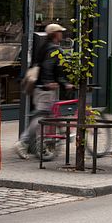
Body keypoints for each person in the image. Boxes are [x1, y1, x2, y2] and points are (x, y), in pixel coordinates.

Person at [15, 23, 74, 159]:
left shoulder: (45, 47)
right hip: (45, 89)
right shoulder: (53, 49)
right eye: (60, 32)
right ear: (55, 34)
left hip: (40, 87)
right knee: (41, 117)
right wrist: (50, 83)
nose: (62, 34)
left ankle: (43, 148)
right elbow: (48, 67)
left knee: (48, 117)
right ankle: (23, 142)